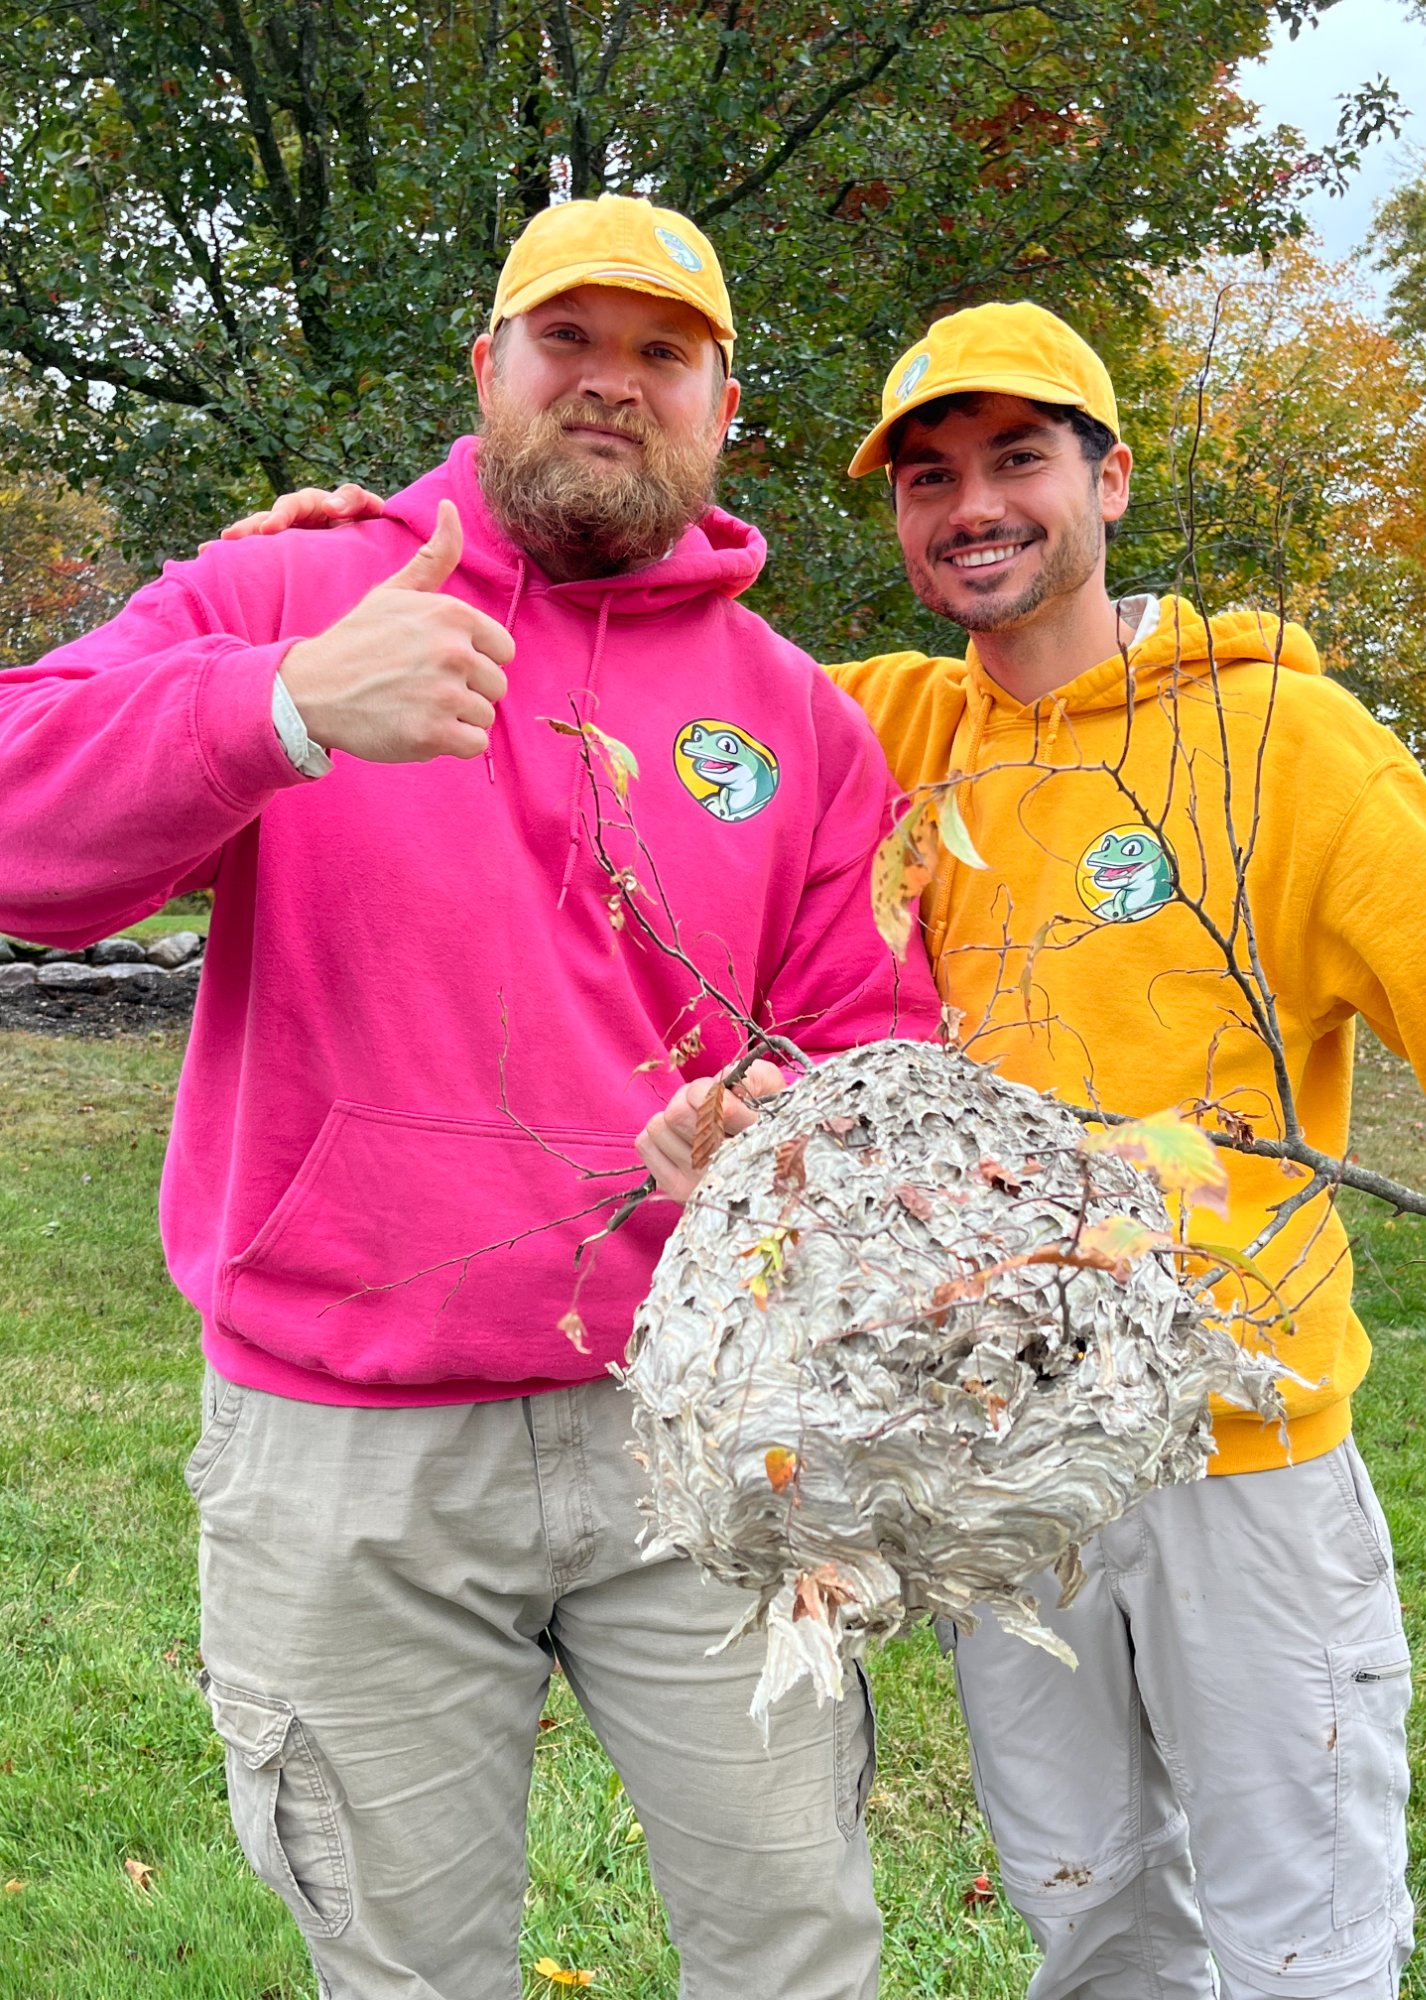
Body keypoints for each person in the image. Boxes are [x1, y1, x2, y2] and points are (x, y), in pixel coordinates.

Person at [0, 194, 939, 2000]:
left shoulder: (797, 717)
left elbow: (878, 1044)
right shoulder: (293, 590)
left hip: (698, 1429)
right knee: (405, 1973)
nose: (611, 385)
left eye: (661, 352)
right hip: (349, 1442)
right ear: (486, 368)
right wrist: (275, 704)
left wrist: (774, 1128)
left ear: (722, 405)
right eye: (566, 340)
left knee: (798, 1947)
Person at [824, 301, 1426, 1999]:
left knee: (1304, 1926)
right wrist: (337, 570)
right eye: (929, 476)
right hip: (1004, 1455)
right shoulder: (890, 734)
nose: (972, 503)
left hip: (1238, 1441)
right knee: (1091, 1909)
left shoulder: (1282, 740)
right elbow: (619, 670)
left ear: (1109, 478)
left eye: (1018, 458)